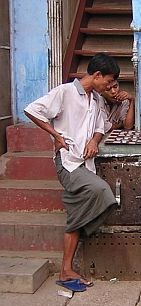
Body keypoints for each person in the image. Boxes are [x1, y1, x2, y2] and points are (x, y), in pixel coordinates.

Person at [24, 53, 120, 292]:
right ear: (96, 75)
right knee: (102, 191)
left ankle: (66, 270)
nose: (109, 86)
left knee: (82, 211)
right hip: (67, 163)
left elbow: (101, 126)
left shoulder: (96, 99)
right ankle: (69, 263)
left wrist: (95, 141)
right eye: (107, 81)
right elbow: (32, 110)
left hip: (85, 164)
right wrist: (55, 136)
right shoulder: (65, 92)